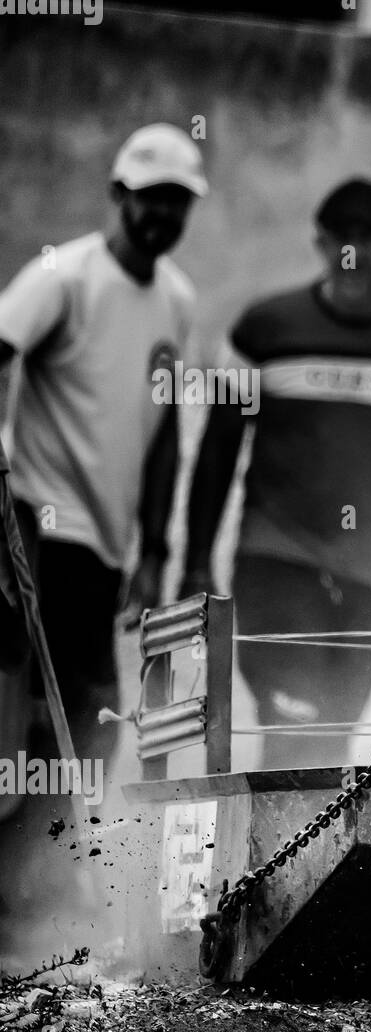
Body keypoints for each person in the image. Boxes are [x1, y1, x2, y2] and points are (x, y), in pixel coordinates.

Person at [182, 178, 371, 768]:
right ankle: (276, 858)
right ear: (319, 242)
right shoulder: (264, 331)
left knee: (335, 738)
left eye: (369, 237)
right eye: (341, 236)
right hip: (276, 565)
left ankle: (294, 859)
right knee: (296, 721)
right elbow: (216, 454)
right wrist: (193, 564)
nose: (354, 250)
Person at [0, 122, 205, 775]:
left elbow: (166, 433)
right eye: (151, 197)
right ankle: (40, 865)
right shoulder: (64, 277)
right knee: (60, 714)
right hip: (41, 530)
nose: (163, 214)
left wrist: (154, 554)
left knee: (84, 719)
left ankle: (54, 860)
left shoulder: (176, 298)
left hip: (106, 554)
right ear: (119, 192)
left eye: (177, 200)